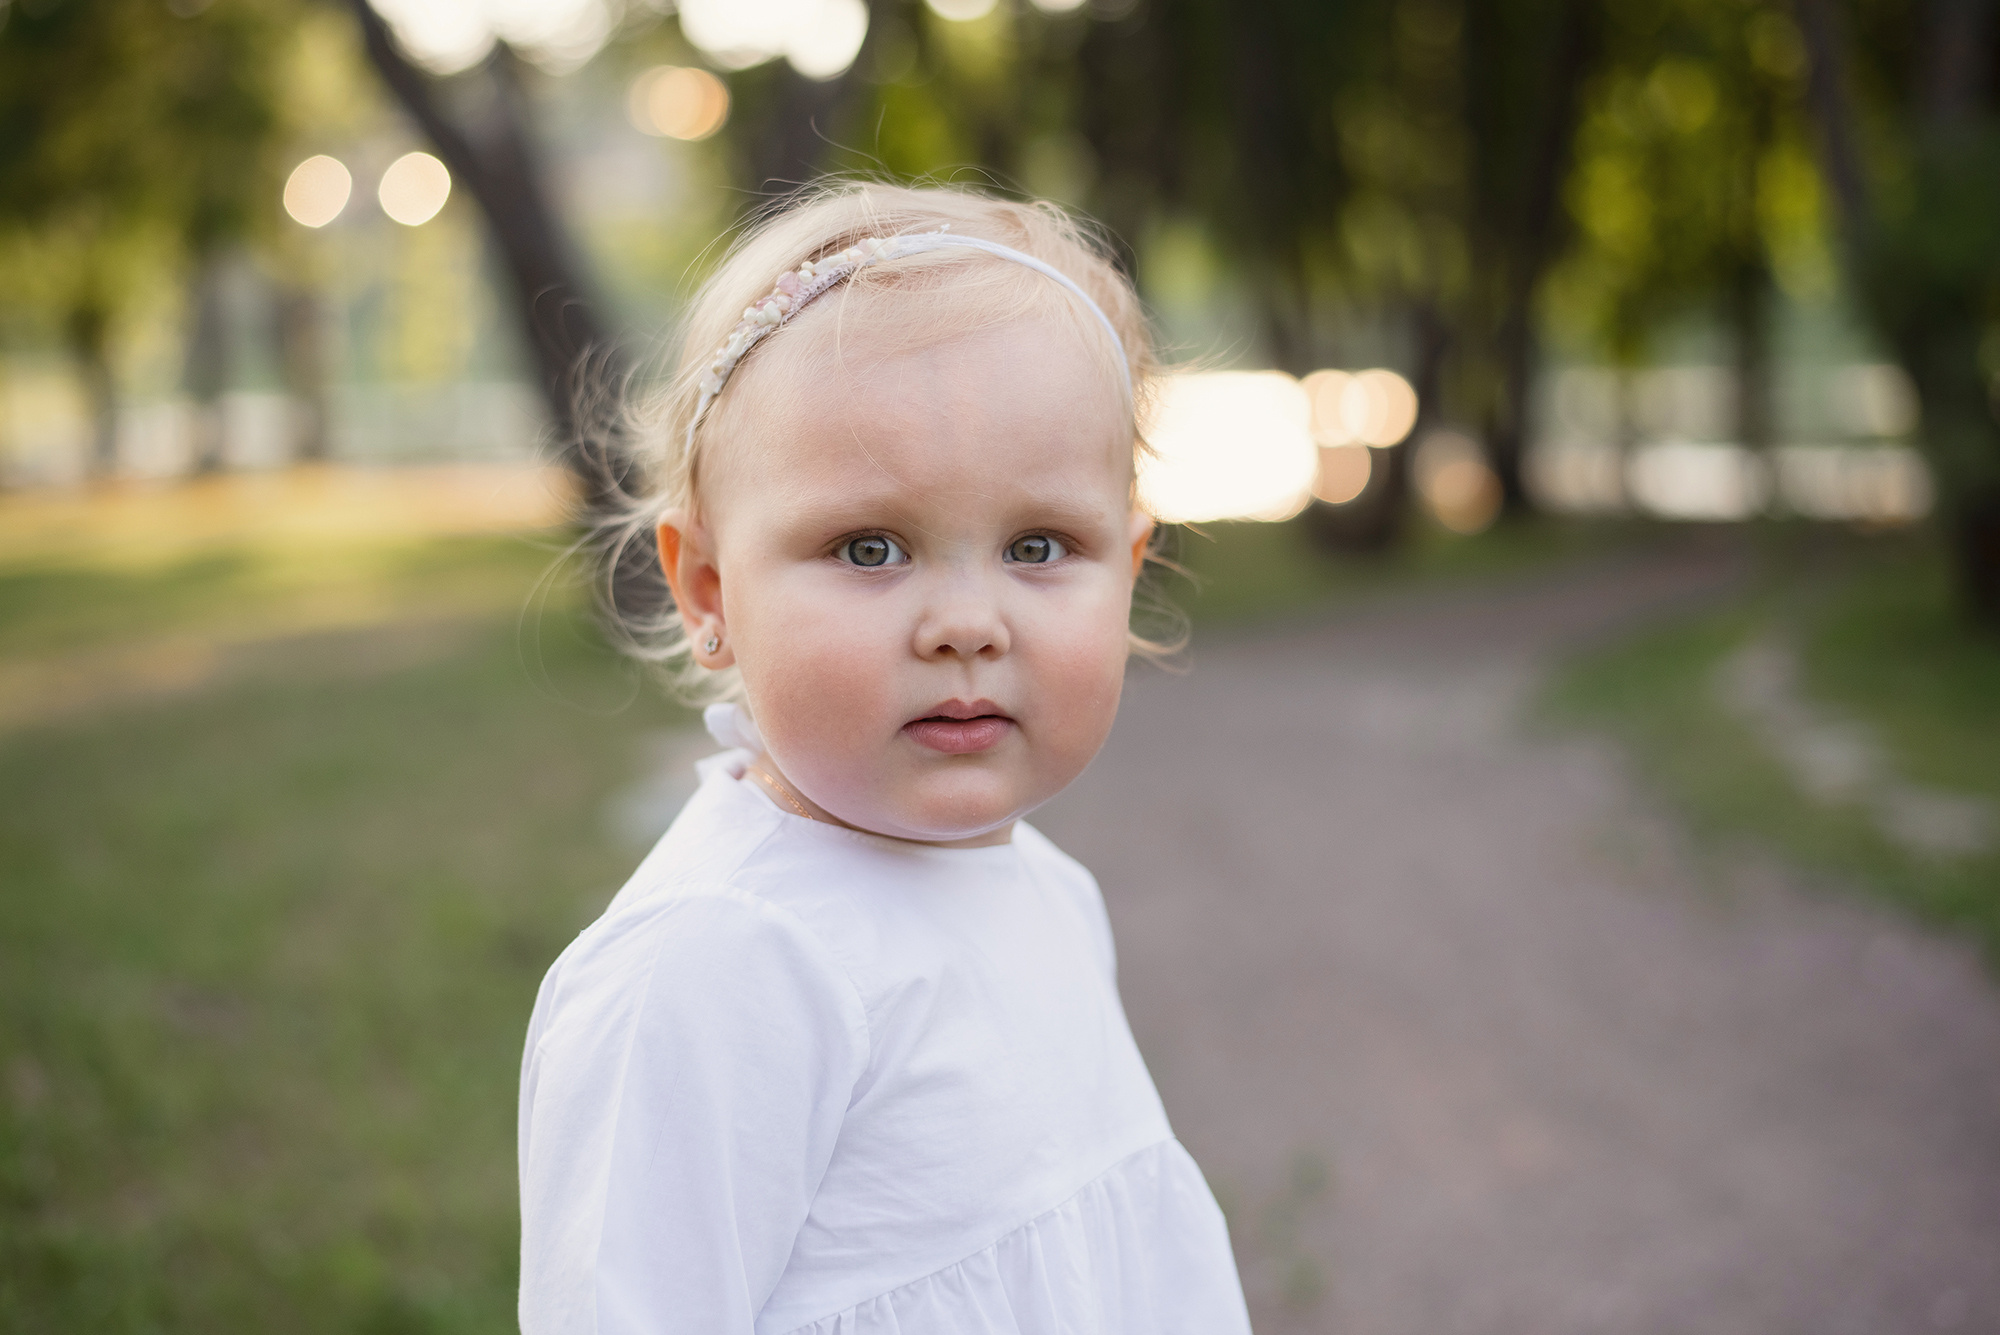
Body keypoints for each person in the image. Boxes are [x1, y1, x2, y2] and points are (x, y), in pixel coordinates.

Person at [516, 181, 1251, 1334]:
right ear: (709, 586)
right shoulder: (719, 963)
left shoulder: (1047, 890)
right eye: (869, 548)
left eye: (1039, 545)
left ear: (1131, 563)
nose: (966, 621)